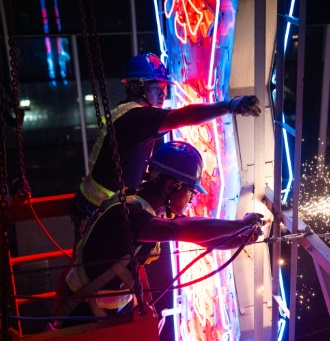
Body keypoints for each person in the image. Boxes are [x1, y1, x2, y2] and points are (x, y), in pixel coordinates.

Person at [57, 141, 263, 326]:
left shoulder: (138, 206)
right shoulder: (130, 214)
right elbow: (179, 230)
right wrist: (239, 224)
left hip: (95, 309)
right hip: (84, 316)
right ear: (171, 185)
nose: (192, 199)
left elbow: (201, 238)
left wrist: (240, 238)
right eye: (191, 191)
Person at [70, 52, 261, 239]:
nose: (163, 93)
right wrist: (229, 106)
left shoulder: (128, 116)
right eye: (156, 87)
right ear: (136, 88)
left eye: (164, 87)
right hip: (101, 212)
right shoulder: (136, 118)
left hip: (98, 208)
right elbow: (185, 116)